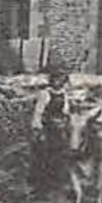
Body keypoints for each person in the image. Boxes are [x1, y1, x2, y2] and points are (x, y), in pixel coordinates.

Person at [29, 67, 74, 196]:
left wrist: (65, 121)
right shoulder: (45, 94)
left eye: (61, 79)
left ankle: (58, 185)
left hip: (59, 129)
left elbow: (66, 111)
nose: (58, 82)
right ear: (51, 80)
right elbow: (38, 112)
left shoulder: (64, 94)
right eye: (56, 79)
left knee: (60, 156)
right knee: (44, 157)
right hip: (47, 129)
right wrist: (37, 129)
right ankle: (41, 187)